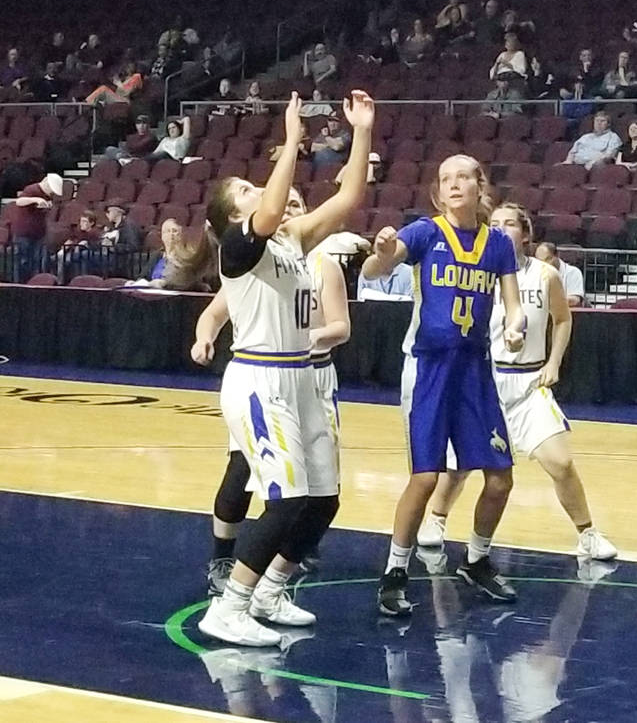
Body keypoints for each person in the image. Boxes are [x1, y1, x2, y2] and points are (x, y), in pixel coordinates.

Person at [183, 90, 373, 646]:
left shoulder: (290, 239)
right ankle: (229, 606)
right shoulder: (239, 250)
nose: (257, 190)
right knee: (285, 498)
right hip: (259, 380)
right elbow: (271, 208)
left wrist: (360, 131)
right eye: (245, 189)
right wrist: (291, 140)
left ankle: (271, 589)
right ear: (233, 216)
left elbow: (351, 196)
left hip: (303, 379)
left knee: (324, 498)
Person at [360, 154, 525, 617]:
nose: (454, 185)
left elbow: (513, 305)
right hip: (429, 367)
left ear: (479, 185)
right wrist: (382, 249)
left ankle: (476, 559)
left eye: (463, 177)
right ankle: (394, 570)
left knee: (500, 479)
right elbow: (376, 269)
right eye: (445, 179)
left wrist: (516, 325)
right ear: (438, 190)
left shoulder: (497, 245)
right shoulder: (424, 232)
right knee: (426, 477)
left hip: (475, 369)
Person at [417, 204, 616, 566]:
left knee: (561, 463)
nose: (501, 229)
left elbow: (564, 319)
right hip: (485, 381)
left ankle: (588, 534)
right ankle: (436, 519)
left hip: (528, 384)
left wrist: (554, 361)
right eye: (494, 224)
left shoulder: (545, 275)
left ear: (525, 234)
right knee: (458, 466)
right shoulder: (475, 271)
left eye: (510, 224)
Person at [193, 187, 353, 597]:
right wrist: (204, 338)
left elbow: (342, 327)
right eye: (286, 204)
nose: (288, 209)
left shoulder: (319, 262)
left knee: (316, 493)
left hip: (311, 377)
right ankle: (226, 562)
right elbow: (214, 313)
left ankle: (276, 571)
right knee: (248, 475)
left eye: (297, 205)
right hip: (265, 376)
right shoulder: (253, 257)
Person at [10, 173, 64, 282]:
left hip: (39, 233)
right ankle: (20, 283)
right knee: (22, 260)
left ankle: (35, 282)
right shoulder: (31, 189)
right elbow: (19, 202)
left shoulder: (48, 195)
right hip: (24, 233)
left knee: (37, 261)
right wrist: (35, 200)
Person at [56, 209, 101, 283]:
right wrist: (65, 246)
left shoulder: (94, 233)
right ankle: (60, 282)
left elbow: (96, 246)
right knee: (60, 255)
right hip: (72, 250)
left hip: (85, 253)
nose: (81, 224)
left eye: (84, 221)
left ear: (91, 223)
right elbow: (71, 240)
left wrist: (85, 244)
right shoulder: (78, 231)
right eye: (81, 221)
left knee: (71, 257)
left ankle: (79, 281)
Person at [534, 242, 585, 307]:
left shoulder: (573, 272)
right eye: (540, 261)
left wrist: (547, 302)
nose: (544, 264)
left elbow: (575, 300)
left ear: (557, 256)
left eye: (547, 259)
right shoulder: (534, 273)